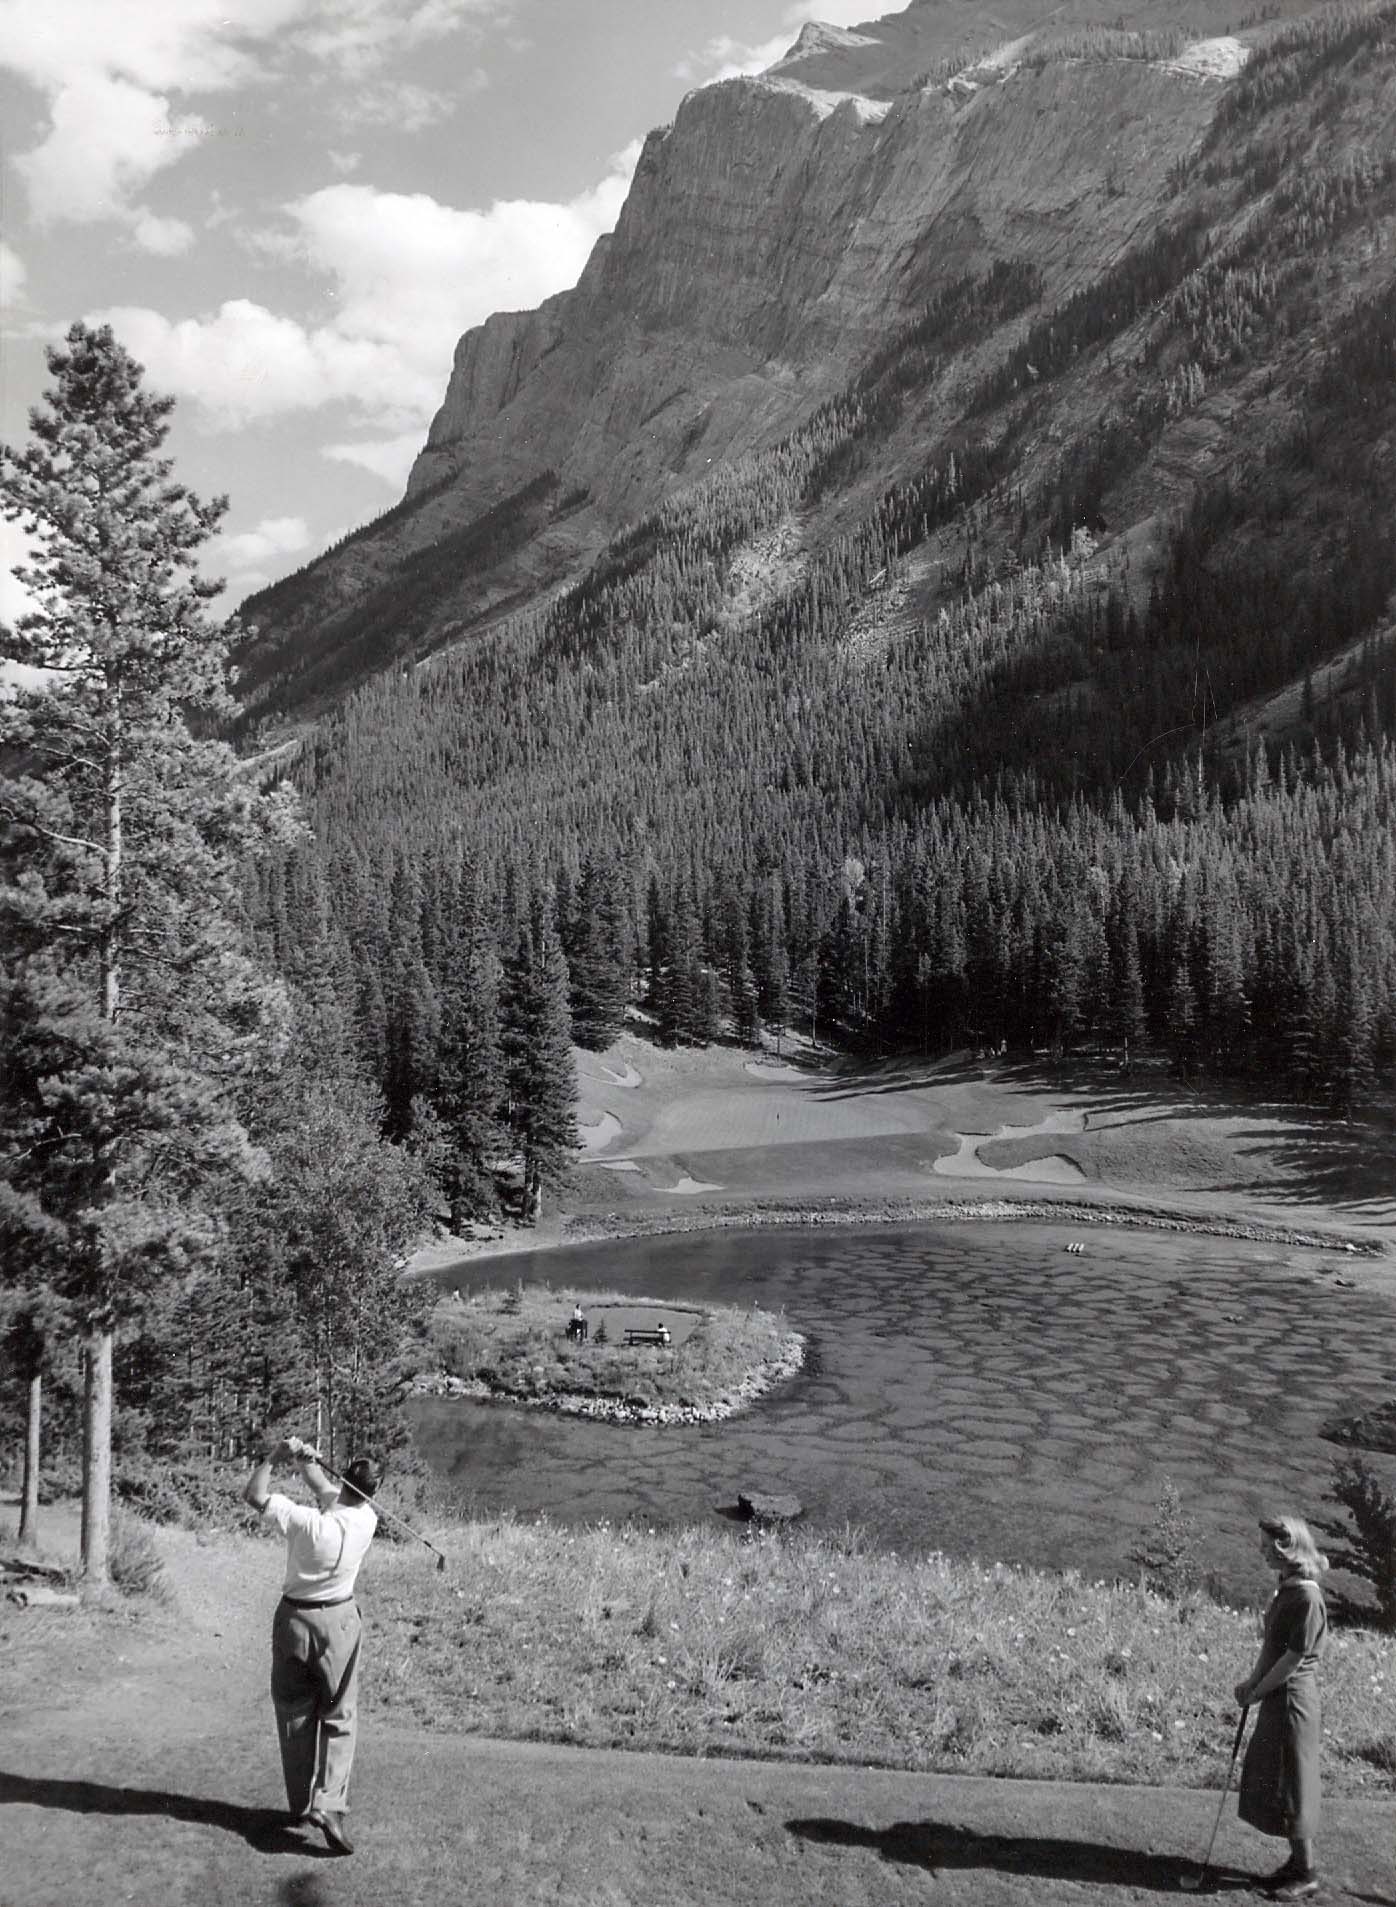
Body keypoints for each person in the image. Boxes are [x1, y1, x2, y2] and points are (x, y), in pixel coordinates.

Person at [242, 1436, 381, 1856]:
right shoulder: (367, 1519)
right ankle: (329, 1804)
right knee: (339, 1714)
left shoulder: (303, 1520)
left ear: (346, 1486)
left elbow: (255, 1495)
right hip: (338, 1621)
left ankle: (302, 1805)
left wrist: (276, 1457)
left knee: (294, 1713)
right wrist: (307, 1463)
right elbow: (329, 1492)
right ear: (371, 1492)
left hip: (293, 1621)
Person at [1233, 1513, 1329, 1900]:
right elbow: (1271, 1647)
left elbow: (1292, 1659)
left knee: (1293, 1784)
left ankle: (1306, 1872)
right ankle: (1295, 1864)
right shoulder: (1287, 1588)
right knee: (1279, 1778)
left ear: (1287, 1549)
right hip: (1278, 1697)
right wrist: (1252, 1682)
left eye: (1266, 1547)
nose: (1261, 1553)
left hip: (1292, 1702)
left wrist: (1259, 1691)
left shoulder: (1307, 1596)